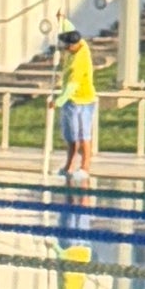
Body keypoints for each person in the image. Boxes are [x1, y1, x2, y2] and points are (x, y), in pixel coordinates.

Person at [52, 19, 105, 196]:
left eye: (67, 46)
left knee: (83, 136)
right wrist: (63, 19)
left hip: (82, 100)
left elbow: (71, 86)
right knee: (71, 137)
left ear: (74, 45)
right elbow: (72, 29)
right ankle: (68, 166)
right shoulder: (80, 44)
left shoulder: (79, 61)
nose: (65, 49)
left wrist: (57, 101)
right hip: (71, 102)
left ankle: (85, 167)